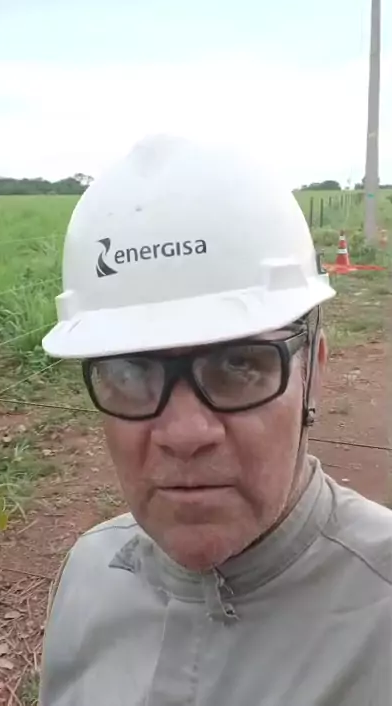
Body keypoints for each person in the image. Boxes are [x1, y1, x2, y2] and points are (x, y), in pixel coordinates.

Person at [39, 134, 392, 706]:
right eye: (130, 371)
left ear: (313, 373)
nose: (184, 435)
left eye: (239, 365)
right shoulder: (90, 576)